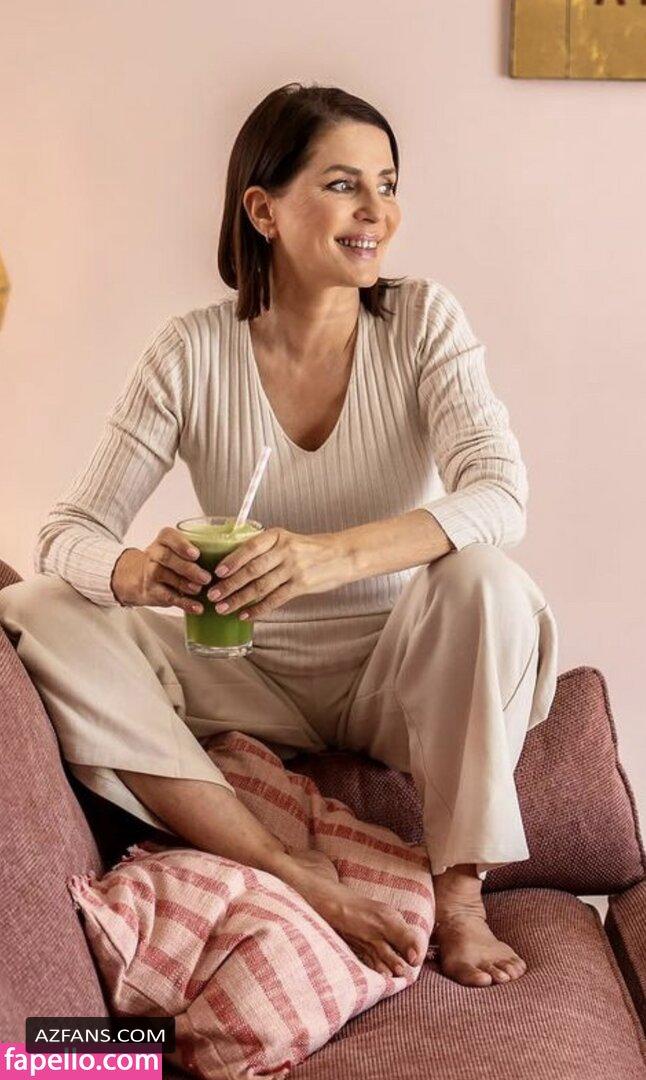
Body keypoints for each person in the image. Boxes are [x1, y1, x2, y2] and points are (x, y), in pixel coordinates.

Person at [0, 82, 558, 989]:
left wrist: (327, 557)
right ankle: (280, 862)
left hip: (394, 674)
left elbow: (501, 492)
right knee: (36, 605)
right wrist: (139, 571)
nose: (377, 211)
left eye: (387, 184)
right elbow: (67, 531)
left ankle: (460, 895)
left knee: (486, 577)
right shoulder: (188, 352)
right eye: (344, 185)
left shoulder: (424, 322)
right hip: (240, 669)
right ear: (263, 210)